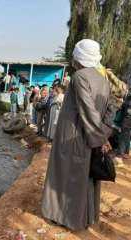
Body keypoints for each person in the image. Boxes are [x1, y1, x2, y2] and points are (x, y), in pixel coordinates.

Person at [42, 39, 113, 230]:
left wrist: (99, 139)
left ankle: (63, 217)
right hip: (91, 135)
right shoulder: (104, 80)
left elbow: (87, 110)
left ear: (79, 56)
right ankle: (87, 217)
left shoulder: (79, 76)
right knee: (86, 178)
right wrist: (102, 136)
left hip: (72, 136)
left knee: (65, 178)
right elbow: (107, 111)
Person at [116, 91, 131, 159]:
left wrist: (122, 104)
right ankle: (125, 152)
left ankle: (121, 153)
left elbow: (127, 107)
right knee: (126, 135)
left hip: (128, 117)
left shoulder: (129, 97)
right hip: (127, 117)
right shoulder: (128, 96)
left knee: (124, 134)